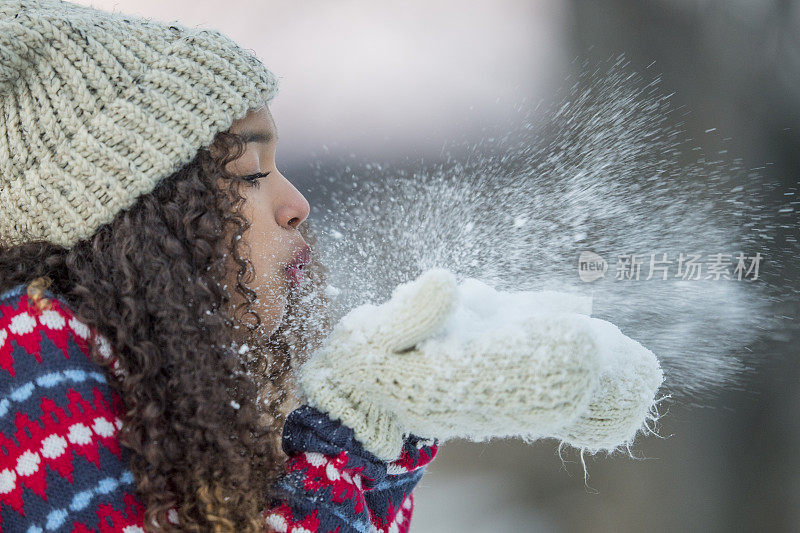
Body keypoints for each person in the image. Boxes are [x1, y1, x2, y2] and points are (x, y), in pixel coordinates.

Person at [0, 1, 665, 531]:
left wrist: (391, 422)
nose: (296, 204)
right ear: (136, 213)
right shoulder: (22, 352)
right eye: (251, 171)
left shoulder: (130, 381)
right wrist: (348, 429)